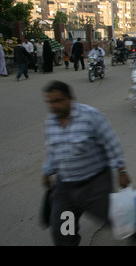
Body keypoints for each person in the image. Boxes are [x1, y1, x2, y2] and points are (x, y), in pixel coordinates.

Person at [41, 80, 131, 246]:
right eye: (50, 102)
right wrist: (47, 173)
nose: (54, 106)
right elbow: (53, 151)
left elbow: (111, 143)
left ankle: (132, 229)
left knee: (115, 220)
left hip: (94, 186)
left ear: (70, 99)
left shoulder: (91, 116)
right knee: (63, 234)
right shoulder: (51, 122)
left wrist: (122, 171)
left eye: (58, 101)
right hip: (65, 188)